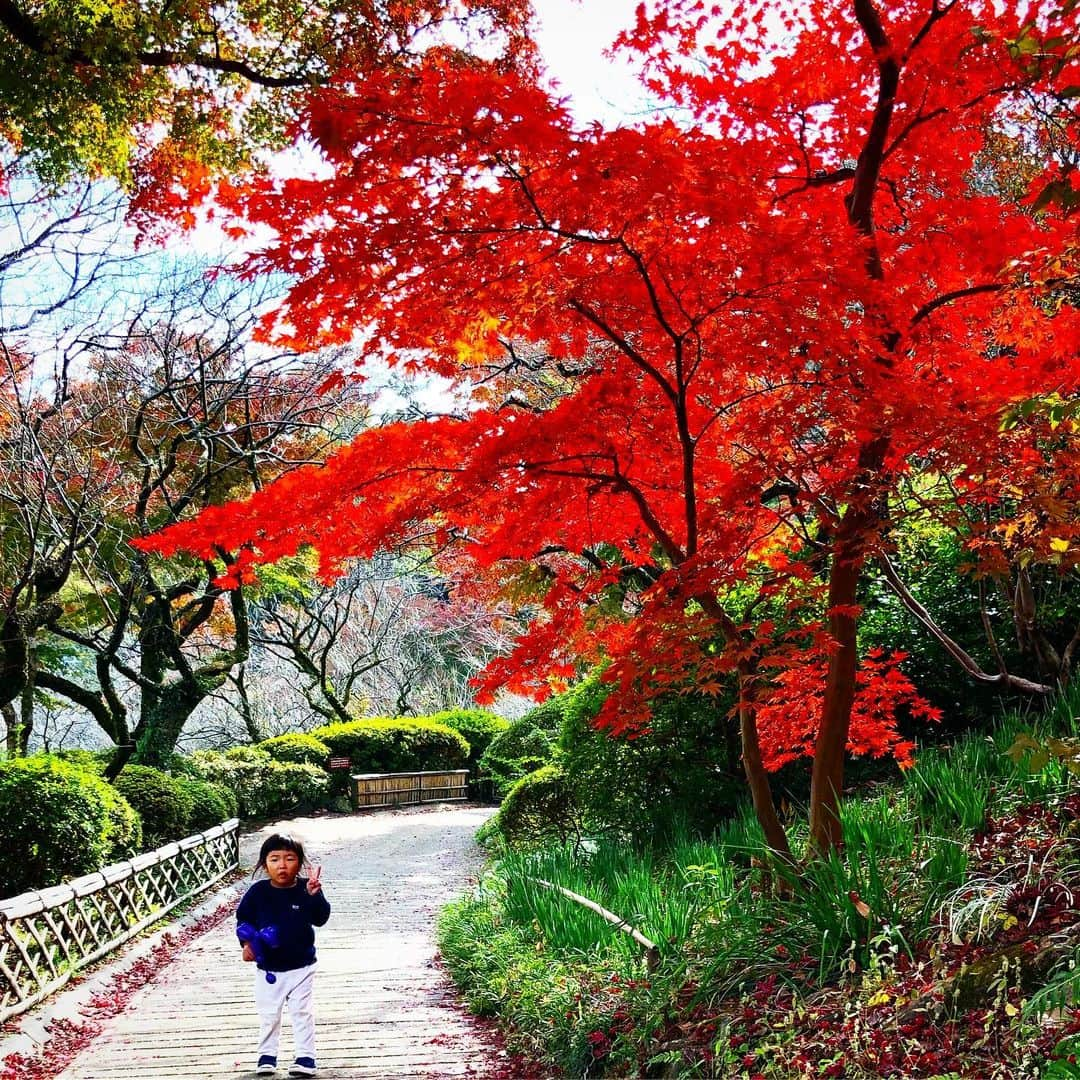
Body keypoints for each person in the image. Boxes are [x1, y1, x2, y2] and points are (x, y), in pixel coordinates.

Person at [237, 833, 331, 1077]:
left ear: (299, 863)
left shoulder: (305, 888)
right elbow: (243, 919)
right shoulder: (258, 893)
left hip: (302, 966)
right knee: (269, 1013)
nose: (282, 865)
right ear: (264, 863)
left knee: (302, 1012)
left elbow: (320, 918)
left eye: (289, 859)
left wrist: (314, 896)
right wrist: (246, 944)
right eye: (274, 858)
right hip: (268, 968)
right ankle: (267, 1055)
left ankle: (305, 1057)